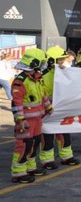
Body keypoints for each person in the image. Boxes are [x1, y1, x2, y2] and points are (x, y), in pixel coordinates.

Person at [10, 48, 51, 183]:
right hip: (26, 121)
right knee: (24, 145)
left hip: (37, 119)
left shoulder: (38, 78)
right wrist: (20, 119)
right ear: (34, 63)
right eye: (40, 63)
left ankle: (30, 167)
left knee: (35, 142)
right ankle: (19, 172)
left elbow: (43, 94)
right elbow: (17, 102)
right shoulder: (20, 81)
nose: (42, 66)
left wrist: (48, 106)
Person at [39, 46, 80, 169]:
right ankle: (47, 160)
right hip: (47, 111)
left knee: (65, 134)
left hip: (62, 109)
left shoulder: (65, 73)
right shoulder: (43, 76)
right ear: (52, 61)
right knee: (48, 136)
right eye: (61, 60)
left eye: (64, 60)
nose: (63, 62)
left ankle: (66, 156)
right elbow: (41, 94)